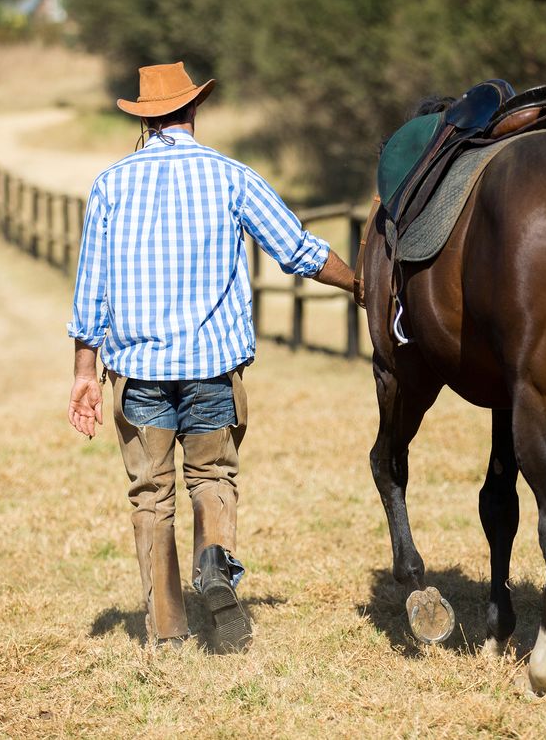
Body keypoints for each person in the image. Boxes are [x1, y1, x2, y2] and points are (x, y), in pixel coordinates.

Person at [65, 62, 355, 652]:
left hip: (140, 374)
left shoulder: (110, 184)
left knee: (152, 494)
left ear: (145, 119)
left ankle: (167, 630)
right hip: (212, 367)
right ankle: (216, 569)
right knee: (213, 477)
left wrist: (83, 374)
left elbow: (90, 288)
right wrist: (363, 286)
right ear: (194, 111)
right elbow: (298, 250)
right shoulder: (231, 177)